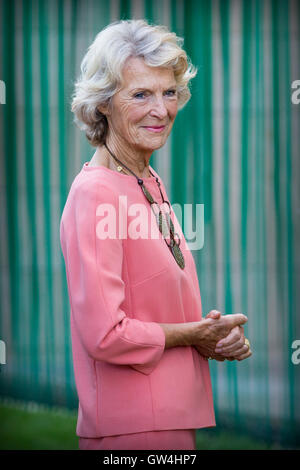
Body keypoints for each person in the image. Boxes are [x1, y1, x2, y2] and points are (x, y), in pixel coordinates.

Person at [59, 19, 252, 451]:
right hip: (132, 431)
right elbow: (105, 334)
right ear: (103, 103)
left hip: (170, 419)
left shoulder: (148, 179)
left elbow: (158, 300)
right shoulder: (95, 193)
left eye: (169, 93)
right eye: (141, 94)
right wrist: (192, 335)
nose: (161, 110)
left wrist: (211, 336)